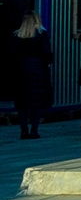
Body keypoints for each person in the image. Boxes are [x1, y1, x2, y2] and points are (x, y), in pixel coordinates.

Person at [8, 11, 53, 140]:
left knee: (22, 103)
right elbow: (46, 52)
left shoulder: (17, 35)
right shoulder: (42, 34)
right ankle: (34, 130)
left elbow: (12, 55)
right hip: (39, 72)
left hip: (21, 73)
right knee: (37, 103)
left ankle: (23, 130)